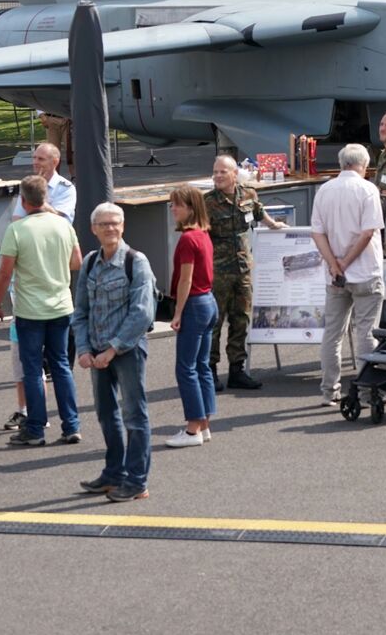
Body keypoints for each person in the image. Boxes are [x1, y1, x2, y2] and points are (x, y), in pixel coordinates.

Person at [73, 202, 156, 501]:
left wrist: (113, 348)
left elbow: (142, 314)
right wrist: (83, 349)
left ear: (123, 227)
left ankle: (137, 481)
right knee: (106, 415)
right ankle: (113, 474)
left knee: (135, 416)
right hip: (96, 354)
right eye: (104, 224)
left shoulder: (137, 262)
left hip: (127, 352)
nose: (110, 228)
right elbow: (80, 310)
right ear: (94, 229)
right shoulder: (91, 262)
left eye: (115, 223)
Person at [0, 175, 82, 447]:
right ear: (46, 198)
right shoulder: (63, 226)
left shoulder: (17, 229)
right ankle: (71, 425)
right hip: (61, 305)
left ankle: (35, 429)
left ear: (22, 200)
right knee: (62, 366)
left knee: (32, 370)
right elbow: (76, 262)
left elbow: (5, 271)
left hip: (30, 310)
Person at [311, 144, 385, 407]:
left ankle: (329, 390)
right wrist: (347, 261)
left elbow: (317, 232)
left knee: (333, 333)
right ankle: (367, 392)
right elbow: (367, 233)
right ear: (363, 166)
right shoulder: (367, 190)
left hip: (335, 277)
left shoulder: (325, 190)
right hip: (365, 272)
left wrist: (334, 264)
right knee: (366, 333)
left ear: (342, 163)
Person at [205, 154, 286, 391]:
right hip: (217, 271)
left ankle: (236, 370)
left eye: (223, 172)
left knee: (241, 319)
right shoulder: (206, 202)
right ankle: (209, 371)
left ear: (234, 174)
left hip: (243, 269)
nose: (218, 176)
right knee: (215, 322)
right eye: (215, 172)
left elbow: (259, 213)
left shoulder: (248, 194)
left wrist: (274, 225)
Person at [167, 184, 217, 446]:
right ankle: (204, 425)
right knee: (201, 366)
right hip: (208, 301)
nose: (173, 208)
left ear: (190, 208)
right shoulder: (203, 234)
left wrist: (177, 312)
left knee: (186, 368)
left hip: (195, 304)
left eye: (178, 204)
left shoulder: (188, 239)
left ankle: (192, 429)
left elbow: (185, 280)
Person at [10, 142, 76, 223]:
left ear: (55, 162)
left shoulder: (65, 188)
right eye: (34, 158)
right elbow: (17, 217)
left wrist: (37, 197)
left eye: (41, 159)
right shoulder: (28, 185)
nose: (35, 162)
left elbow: (57, 218)